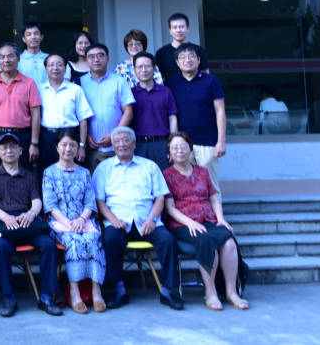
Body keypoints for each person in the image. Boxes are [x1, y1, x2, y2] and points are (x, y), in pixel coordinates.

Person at [93, 127, 182, 311]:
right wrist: (112, 219)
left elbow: (160, 197)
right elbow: (99, 201)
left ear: (134, 144)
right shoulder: (103, 168)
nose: (121, 144)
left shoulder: (149, 166)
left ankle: (168, 291)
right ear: (113, 145)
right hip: (119, 222)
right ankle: (119, 290)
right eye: (117, 141)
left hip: (147, 221)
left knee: (168, 240)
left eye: (126, 140)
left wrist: (152, 218)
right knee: (109, 239)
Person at [163, 132, 249, 311]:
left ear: (190, 149)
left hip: (208, 219)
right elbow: (169, 208)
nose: (180, 150)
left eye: (183, 146)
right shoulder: (167, 175)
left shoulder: (202, 172)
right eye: (175, 148)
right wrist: (190, 223)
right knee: (207, 242)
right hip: (183, 224)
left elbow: (214, 198)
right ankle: (210, 293)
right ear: (169, 153)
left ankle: (232, 292)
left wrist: (221, 219)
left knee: (229, 242)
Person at [0, 133, 60, 318]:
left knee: (49, 245)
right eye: (4, 148)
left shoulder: (29, 175)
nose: (9, 151)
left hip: (28, 222)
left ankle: (47, 297)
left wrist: (31, 213)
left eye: (13, 147)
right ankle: (9, 298)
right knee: (2, 248)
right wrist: (5, 217)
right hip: (3, 224)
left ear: (20, 151)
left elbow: (37, 202)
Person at [42, 130, 106, 314]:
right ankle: (75, 292)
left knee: (93, 239)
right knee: (74, 241)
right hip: (60, 221)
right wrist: (69, 223)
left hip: (83, 219)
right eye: (64, 145)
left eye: (72, 145)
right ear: (57, 147)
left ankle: (96, 291)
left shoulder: (84, 173)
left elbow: (90, 202)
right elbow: (50, 205)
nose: (68, 149)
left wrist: (81, 219)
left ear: (78, 148)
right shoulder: (49, 172)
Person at [167, 43, 227, 194]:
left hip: (208, 142)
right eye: (183, 57)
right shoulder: (171, 83)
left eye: (191, 56)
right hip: (183, 143)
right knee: (185, 186)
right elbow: (171, 115)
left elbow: (220, 111)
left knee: (211, 186)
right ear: (177, 62)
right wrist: (172, 144)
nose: (187, 60)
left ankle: (215, 210)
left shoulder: (211, 81)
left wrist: (221, 141)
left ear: (199, 60)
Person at [0, 42, 41, 171]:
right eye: (2, 57)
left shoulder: (29, 83)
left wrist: (34, 143)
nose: (6, 60)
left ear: (18, 58)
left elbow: (36, 114)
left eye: (10, 56)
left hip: (23, 136)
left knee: (23, 174)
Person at [80, 43, 134, 170]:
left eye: (100, 55)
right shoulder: (80, 82)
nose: (96, 59)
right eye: (91, 56)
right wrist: (85, 136)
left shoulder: (119, 81)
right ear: (86, 60)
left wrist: (115, 135)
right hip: (91, 147)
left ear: (108, 58)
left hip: (117, 146)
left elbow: (128, 112)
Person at [37, 54, 91, 176]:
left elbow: (83, 119)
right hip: (46, 138)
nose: (55, 68)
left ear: (66, 68)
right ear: (46, 69)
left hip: (70, 136)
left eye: (59, 65)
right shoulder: (39, 89)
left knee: (71, 174)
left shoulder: (75, 89)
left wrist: (82, 145)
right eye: (51, 65)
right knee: (46, 174)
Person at [130, 51, 179, 170]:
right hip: (138, 145)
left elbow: (172, 118)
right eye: (140, 67)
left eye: (147, 66)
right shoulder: (130, 93)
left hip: (162, 144)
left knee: (164, 178)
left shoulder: (166, 91)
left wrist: (173, 145)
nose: (144, 70)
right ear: (134, 70)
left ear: (154, 68)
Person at [155, 13, 209, 83]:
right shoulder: (161, 53)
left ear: (188, 29)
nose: (178, 30)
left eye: (181, 27)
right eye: (175, 27)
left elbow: (205, 73)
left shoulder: (199, 50)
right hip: (169, 89)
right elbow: (159, 77)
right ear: (170, 30)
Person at [18, 21, 49, 86]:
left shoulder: (49, 58)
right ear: (24, 39)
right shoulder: (18, 60)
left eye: (36, 34)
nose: (33, 37)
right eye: (29, 34)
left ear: (41, 37)